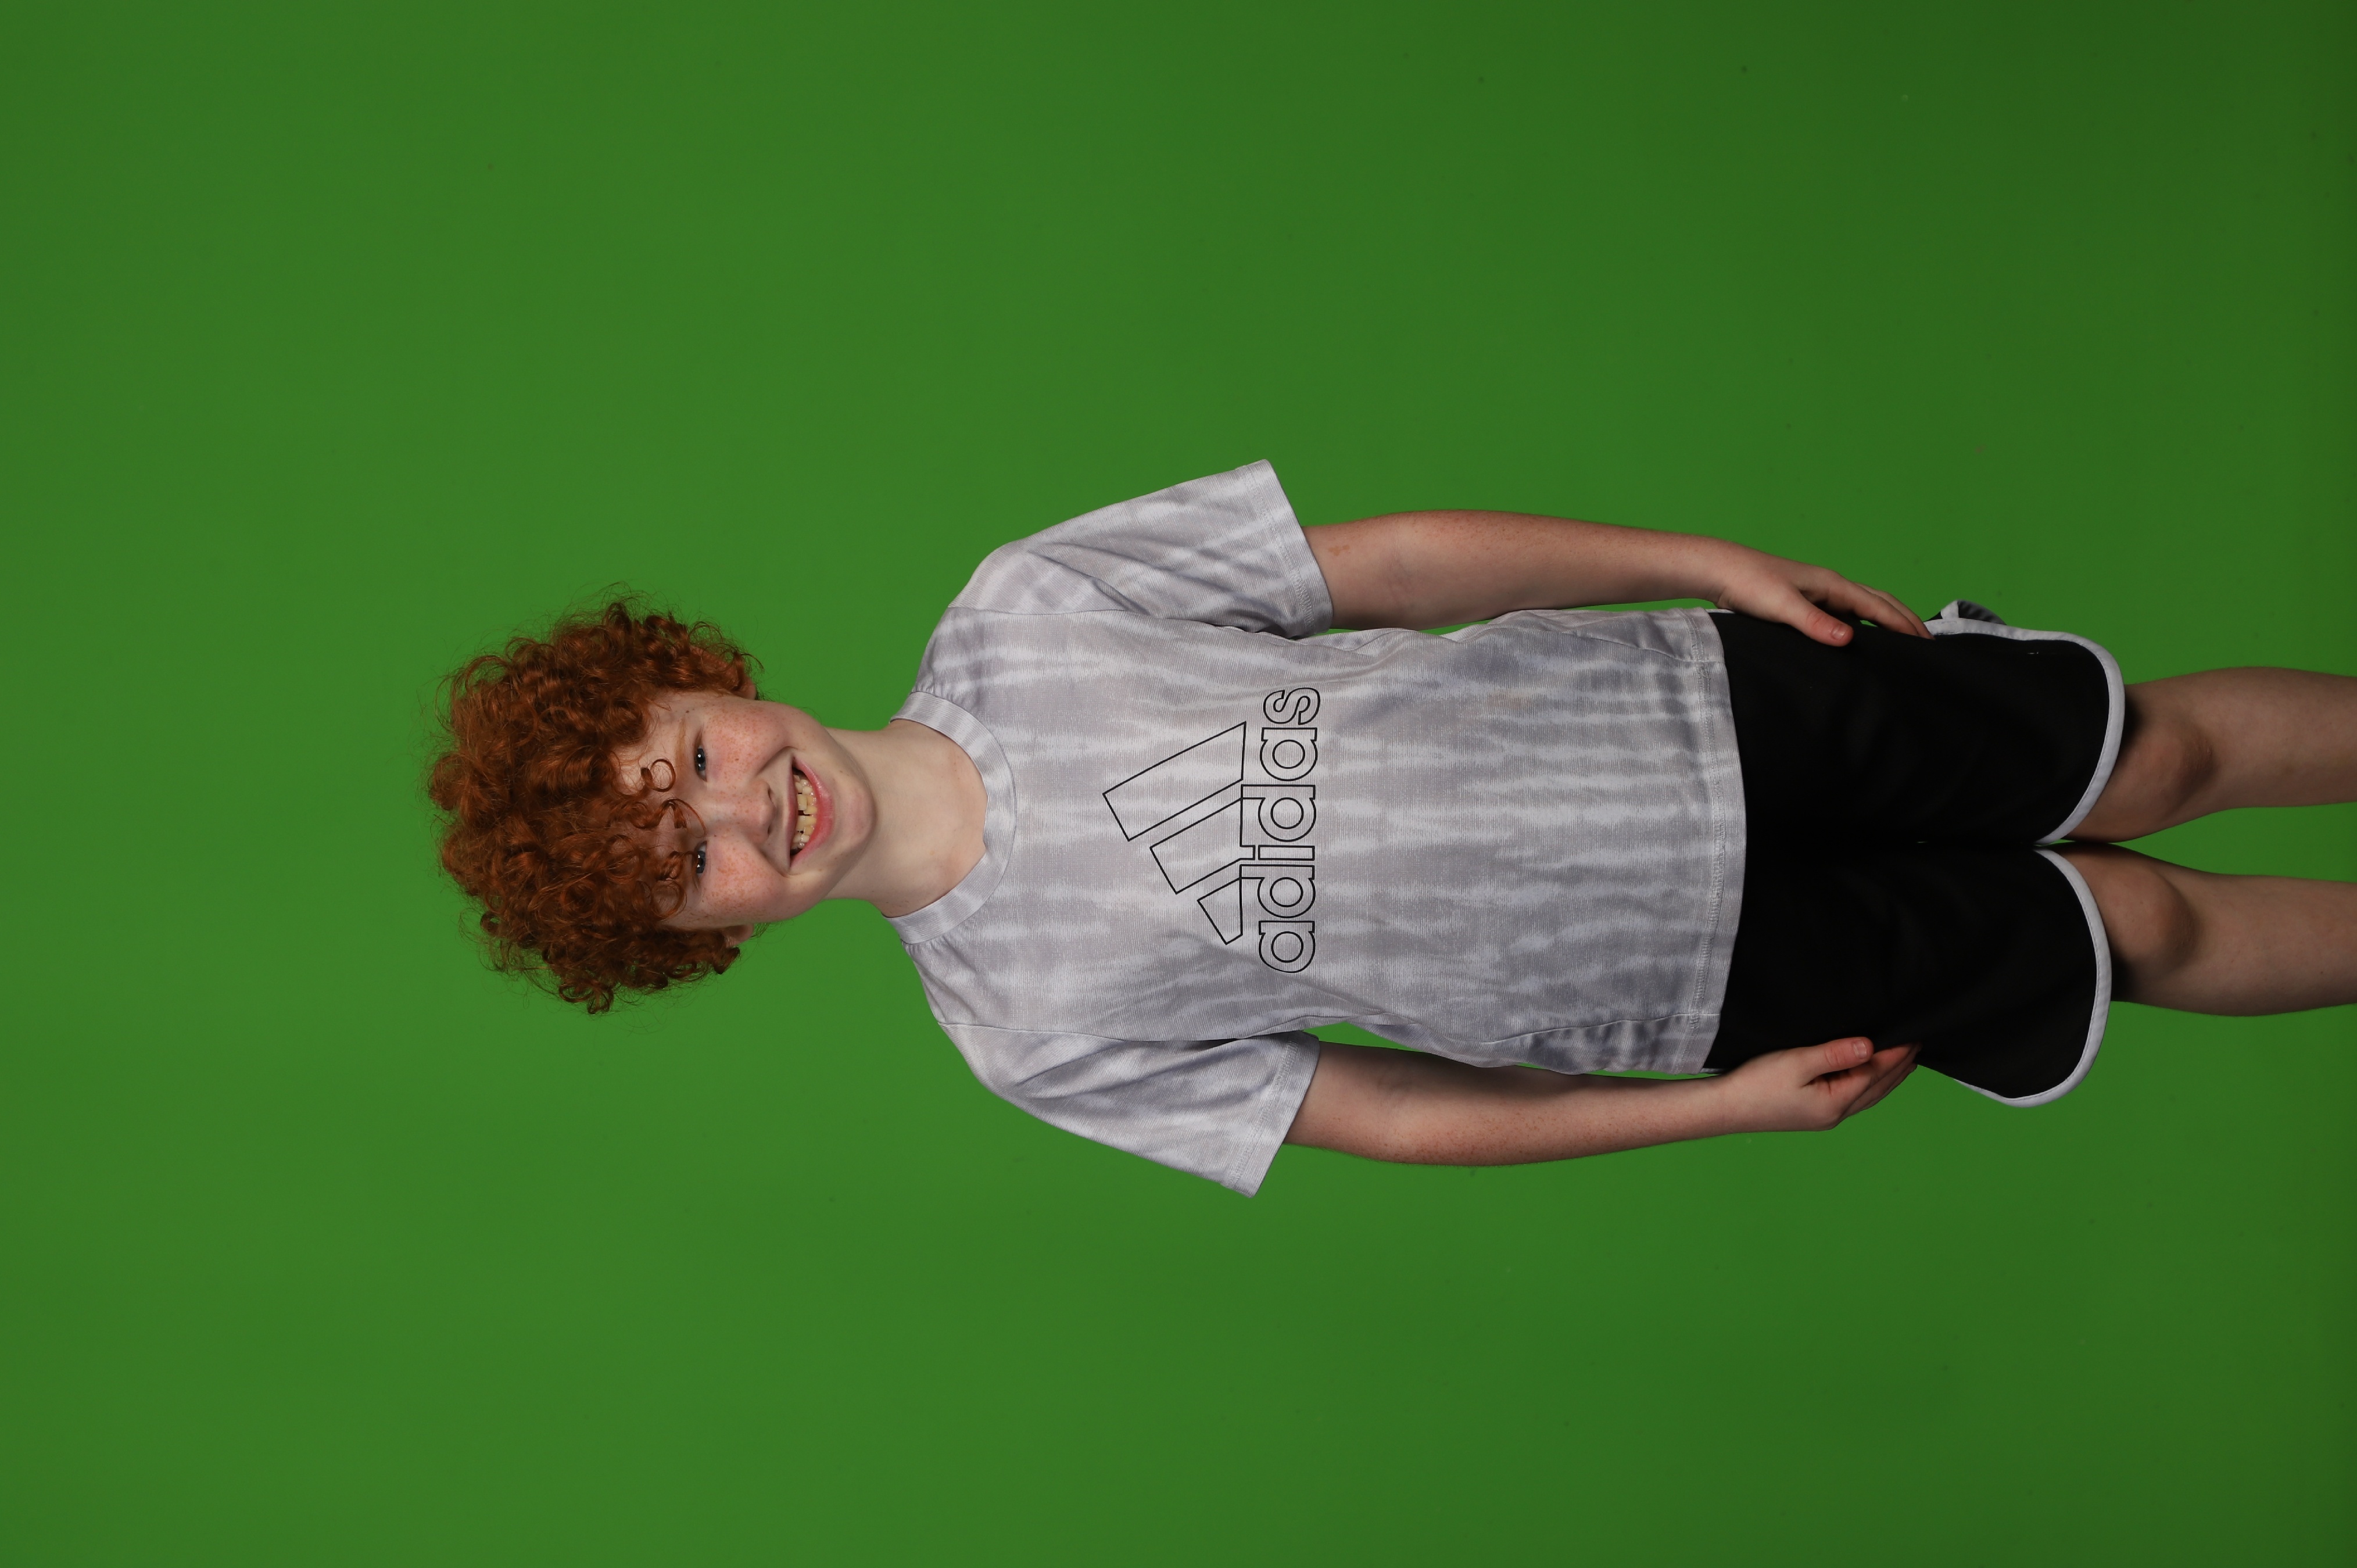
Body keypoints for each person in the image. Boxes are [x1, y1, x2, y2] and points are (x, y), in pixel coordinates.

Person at [428, 462, 2357, 1195]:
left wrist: (1690, 558)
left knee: (2149, 760)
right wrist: (1708, 1111)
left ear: (704, 684)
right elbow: (1393, 1114)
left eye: (691, 758)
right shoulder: (1019, 1034)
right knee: (2144, 938)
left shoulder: (1025, 603)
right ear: (710, 938)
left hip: (1707, 709)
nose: (743, 808)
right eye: (691, 865)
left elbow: (1395, 566)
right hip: (1701, 983)